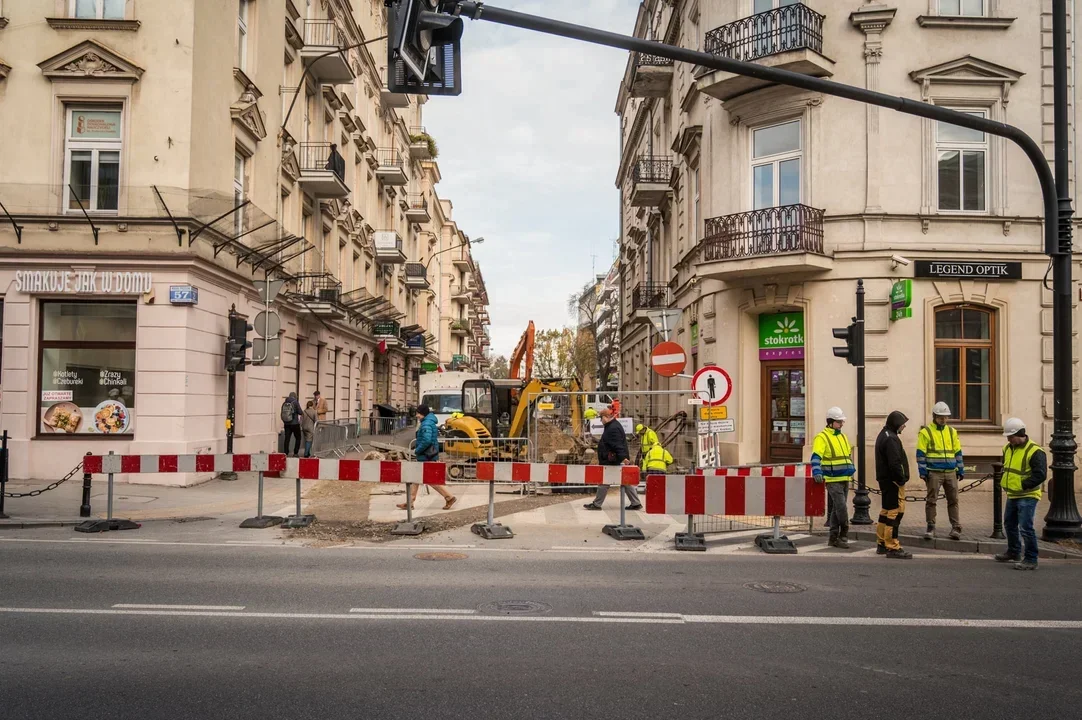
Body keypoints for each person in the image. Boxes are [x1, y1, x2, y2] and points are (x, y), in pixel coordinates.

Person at [994, 418, 1046, 571]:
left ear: (1020, 434)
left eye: (1011, 437)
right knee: (1009, 524)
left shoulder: (1035, 451)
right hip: (1013, 494)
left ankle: (1031, 558)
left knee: (1026, 528)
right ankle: (1014, 552)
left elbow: (1040, 475)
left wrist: (1022, 485)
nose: (1009, 440)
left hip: (1028, 495)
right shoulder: (1008, 448)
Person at [916, 401, 965, 540]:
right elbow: (920, 453)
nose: (943, 420)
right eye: (941, 417)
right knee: (932, 500)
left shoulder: (952, 431)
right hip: (933, 471)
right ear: (934, 416)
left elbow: (957, 451)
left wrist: (960, 469)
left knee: (953, 500)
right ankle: (931, 527)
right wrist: (923, 471)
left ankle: (955, 527)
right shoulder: (926, 432)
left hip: (950, 471)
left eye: (945, 417)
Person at [397, 405, 457, 512]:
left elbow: (426, 440)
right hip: (428, 455)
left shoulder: (426, 424)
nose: (417, 415)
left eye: (418, 413)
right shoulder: (429, 422)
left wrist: (417, 450)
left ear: (422, 413)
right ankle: (410, 502)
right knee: (417, 478)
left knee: (427, 479)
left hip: (426, 455)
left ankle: (449, 497)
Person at [811, 406, 855, 549]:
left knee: (837, 508)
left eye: (842, 421)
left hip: (844, 477)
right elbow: (816, 456)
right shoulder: (822, 437)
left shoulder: (842, 436)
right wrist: (817, 472)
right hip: (832, 479)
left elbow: (847, 456)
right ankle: (844, 534)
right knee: (841, 508)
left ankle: (833, 538)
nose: (841, 424)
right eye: (839, 422)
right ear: (830, 422)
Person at [583, 409, 639, 510]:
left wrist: (624, 458)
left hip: (611, 460)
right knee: (625, 481)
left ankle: (597, 504)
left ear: (605, 417)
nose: (601, 421)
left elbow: (617, 445)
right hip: (613, 459)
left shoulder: (612, 428)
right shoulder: (613, 425)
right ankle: (636, 502)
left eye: (601, 418)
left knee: (604, 482)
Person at [875, 410, 913, 559]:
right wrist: (901, 479)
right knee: (895, 513)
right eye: (903, 424)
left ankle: (882, 543)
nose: (904, 427)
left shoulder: (884, 434)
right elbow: (895, 462)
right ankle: (892, 546)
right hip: (893, 482)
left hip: (885, 480)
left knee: (885, 512)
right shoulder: (891, 439)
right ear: (896, 424)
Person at [280, 392, 303, 457]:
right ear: (295, 396)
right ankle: (295, 453)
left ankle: (286, 453)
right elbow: (300, 412)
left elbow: (282, 413)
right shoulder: (295, 402)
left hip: (287, 424)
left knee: (287, 438)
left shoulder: (284, 403)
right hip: (295, 423)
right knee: (298, 437)